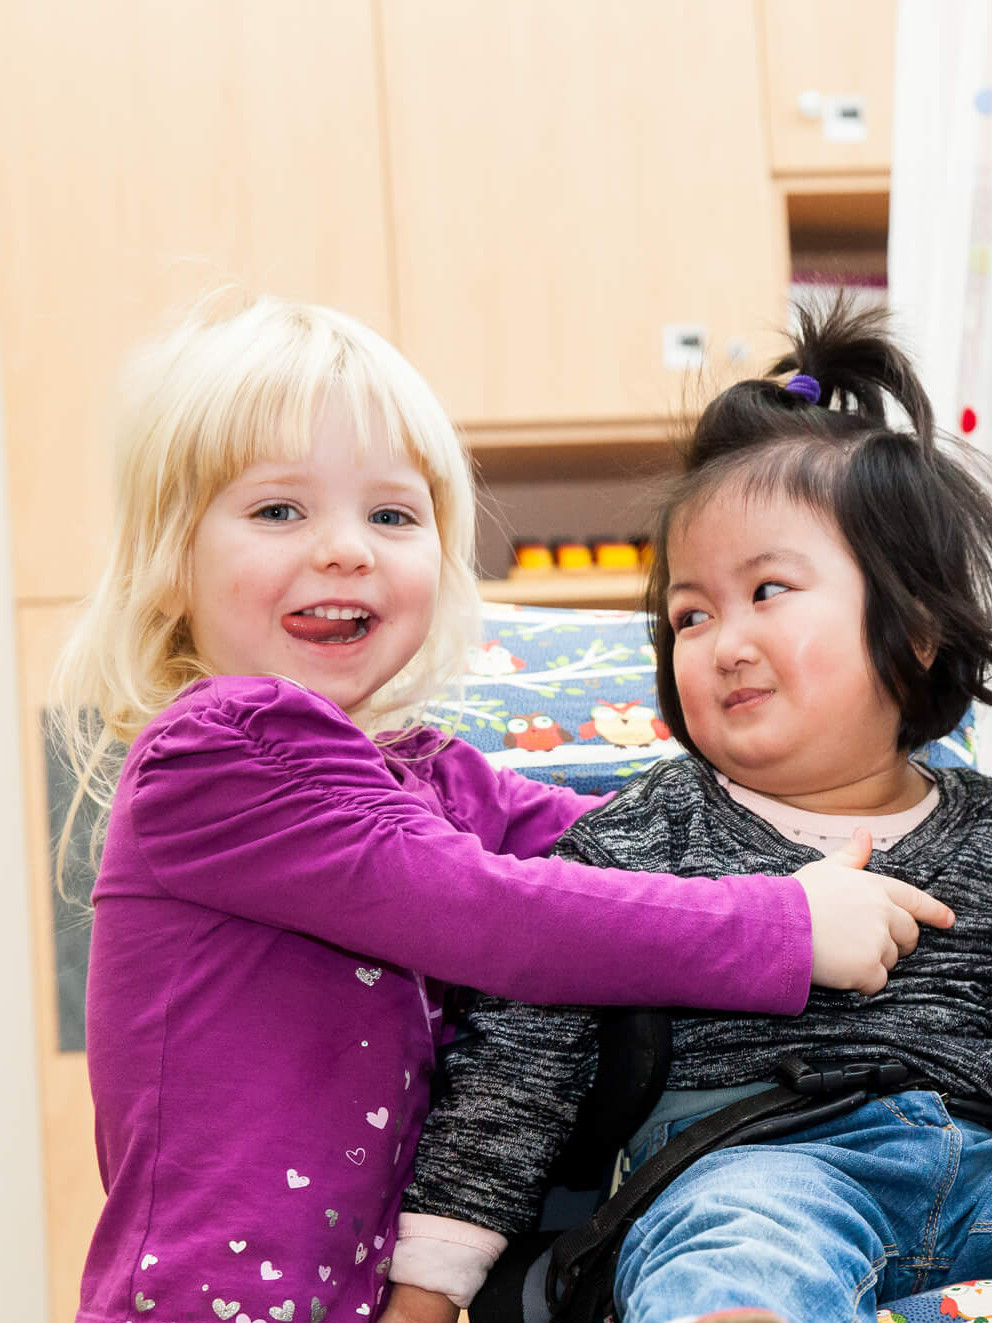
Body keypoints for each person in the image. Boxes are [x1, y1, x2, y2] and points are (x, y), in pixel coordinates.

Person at [59, 292, 947, 1323]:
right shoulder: (218, 754)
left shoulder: (426, 773)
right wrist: (784, 925)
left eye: (392, 515)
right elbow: (498, 917)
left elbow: (630, 845)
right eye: (278, 510)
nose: (347, 549)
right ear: (170, 562)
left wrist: (837, 781)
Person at [385, 298, 992, 1323]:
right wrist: (426, 1290)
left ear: (918, 627)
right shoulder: (632, 843)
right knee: (732, 1262)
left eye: (767, 591)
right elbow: (517, 1073)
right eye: (689, 614)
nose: (720, 640)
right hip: (750, 1168)